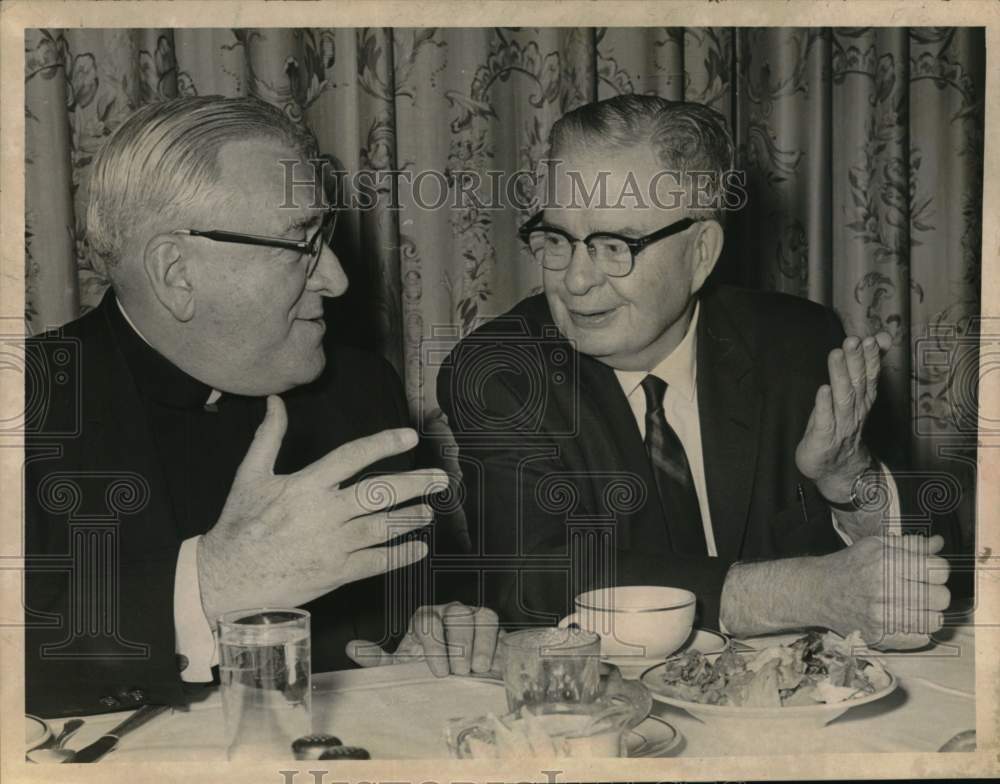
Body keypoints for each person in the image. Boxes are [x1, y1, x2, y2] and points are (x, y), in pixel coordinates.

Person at [428, 95, 955, 655]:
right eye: (557, 239)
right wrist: (801, 592)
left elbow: (928, 582)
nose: (576, 280)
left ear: (701, 253)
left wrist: (849, 481)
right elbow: (529, 580)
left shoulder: (797, 345)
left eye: (615, 246)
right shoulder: (500, 371)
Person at [24, 96, 495, 718]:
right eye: (301, 243)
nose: (336, 279)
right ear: (176, 273)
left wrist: (435, 631)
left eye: (324, 235)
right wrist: (211, 585)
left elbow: (410, 611)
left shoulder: (360, 389)